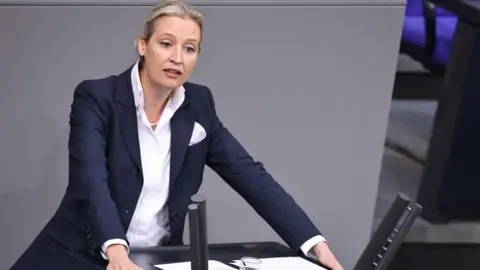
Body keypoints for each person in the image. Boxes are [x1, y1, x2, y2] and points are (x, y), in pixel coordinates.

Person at [11, 1, 343, 270]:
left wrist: (314, 243)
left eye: (190, 48)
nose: (177, 58)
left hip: (153, 261)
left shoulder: (199, 105)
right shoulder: (97, 98)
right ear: (143, 45)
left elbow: (250, 175)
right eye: (166, 44)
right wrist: (115, 249)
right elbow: (91, 179)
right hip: (79, 254)